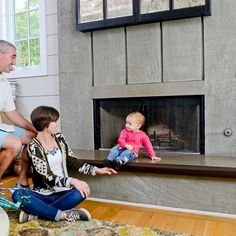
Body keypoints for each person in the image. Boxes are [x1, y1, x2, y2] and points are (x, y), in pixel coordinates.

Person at [12, 106, 117, 223]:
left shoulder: (60, 138)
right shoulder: (33, 147)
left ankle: (37, 214)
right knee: (18, 195)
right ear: (45, 124)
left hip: (63, 193)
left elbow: (73, 161)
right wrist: (73, 180)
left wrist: (97, 169)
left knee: (81, 191)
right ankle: (63, 215)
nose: (58, 123)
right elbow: (47, 177)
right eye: (55, 121)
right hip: (42, 194)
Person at [0, 40, 36, 186]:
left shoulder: (3, 81)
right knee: (14, 143)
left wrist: (33, 128)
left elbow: (11, 113)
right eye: (13, 57)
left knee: (34, 137)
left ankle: (22, 181)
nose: (14, 61)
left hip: (1, 127)